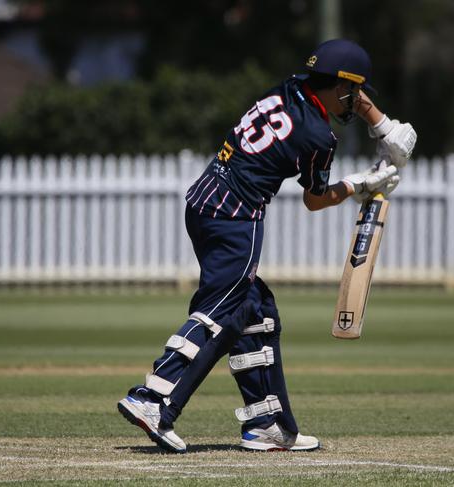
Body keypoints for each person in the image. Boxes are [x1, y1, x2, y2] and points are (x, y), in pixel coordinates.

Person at [118, 39, 417, 453]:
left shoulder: (288, 88)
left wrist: (384, 126)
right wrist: (361, 184)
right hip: (235, 215)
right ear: (342, 84)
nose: (356, 101)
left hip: (204, 199)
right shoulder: (318, 136)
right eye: (354, 91)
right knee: (220, 310)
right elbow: (314, 199)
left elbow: (343, 90)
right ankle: (154, 399)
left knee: (255, 309)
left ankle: (267, 423)